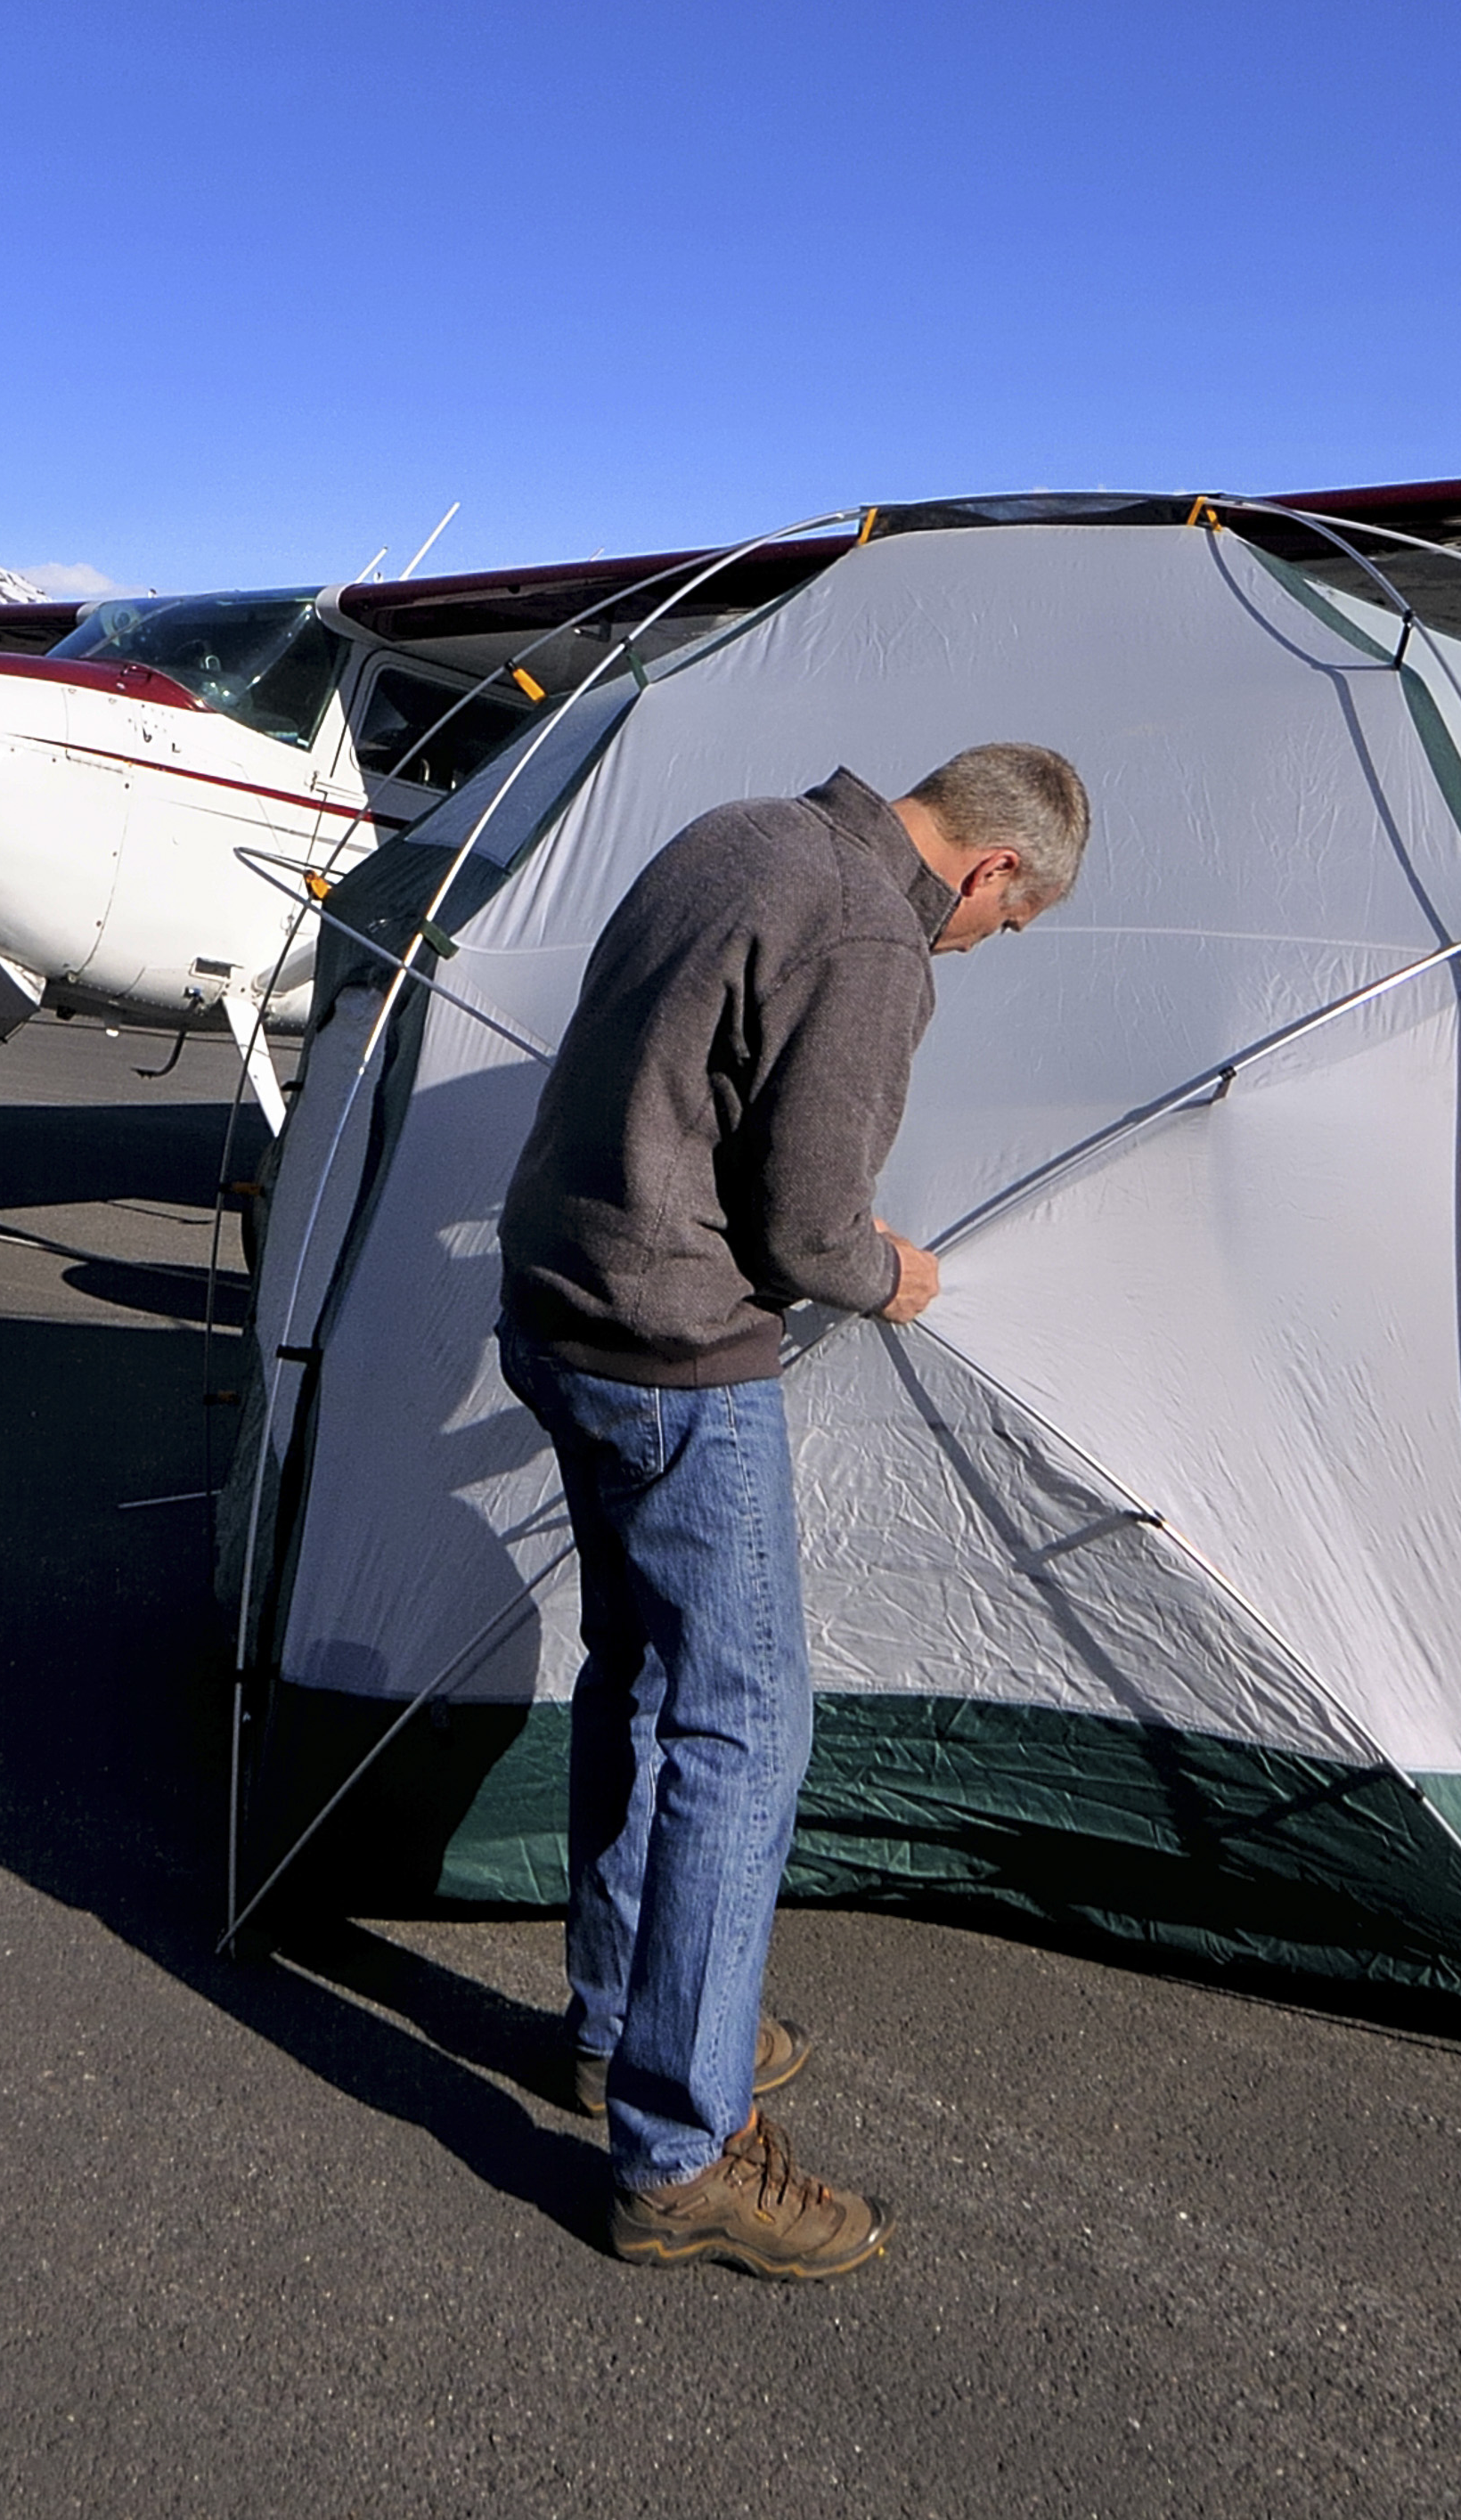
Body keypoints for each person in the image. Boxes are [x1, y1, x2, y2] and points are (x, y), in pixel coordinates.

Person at [495, 738, 1093, 2278]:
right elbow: (811, 1227)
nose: (987, 946)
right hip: (677, 1359)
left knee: (638, 1680)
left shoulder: (739, 826)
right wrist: (891, 1272)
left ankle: (624, 2019)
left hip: (559, 1312)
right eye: (1006, 928)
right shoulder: (873, 937)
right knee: (744, 1729)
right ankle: (679, 2152)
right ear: (993, 869)